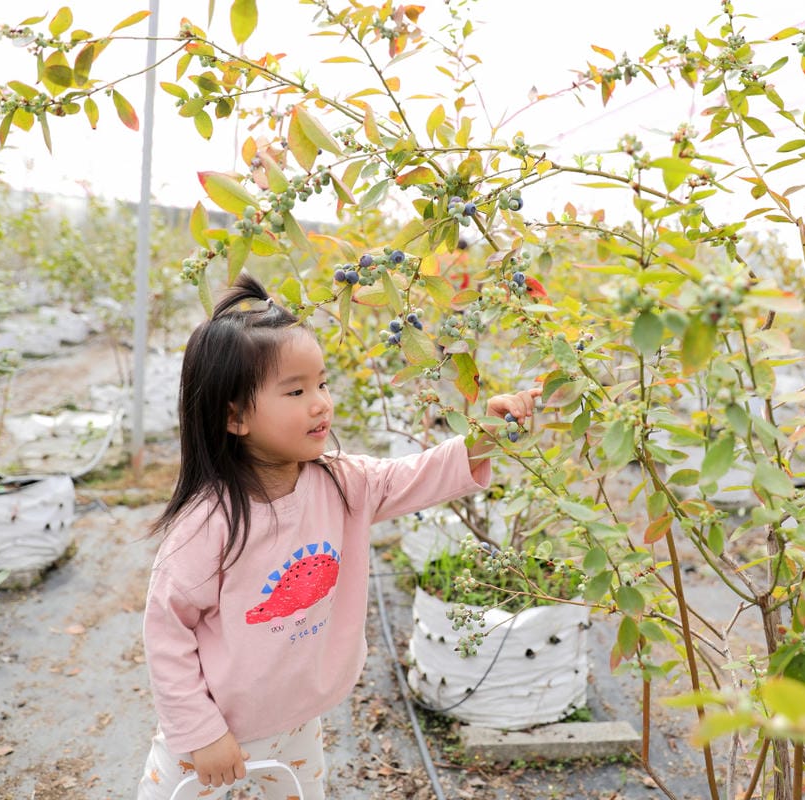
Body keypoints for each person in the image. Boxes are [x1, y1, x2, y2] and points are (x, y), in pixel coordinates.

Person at [136, 272, 540, 799]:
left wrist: (483, 435)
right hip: (211, 736)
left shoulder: (342, 483)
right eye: (296, 390)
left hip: (298, 720)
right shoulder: (208, 523)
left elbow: (416, 474)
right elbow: (167, 631)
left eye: (322, 384)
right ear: (234, 416)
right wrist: (201, 732)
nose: (321, 403)